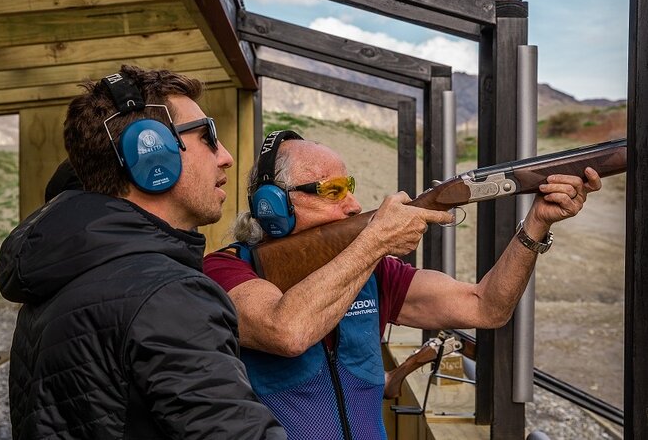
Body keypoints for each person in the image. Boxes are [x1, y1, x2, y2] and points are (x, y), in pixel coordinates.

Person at [203, 129, 603, 439]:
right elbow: (286, 330)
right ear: (273, 206)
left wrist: (536, 225)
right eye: (333, 191)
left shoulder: (373, 272)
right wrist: (374, 241)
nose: (354, 206)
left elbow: (486, 307)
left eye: (350, 188)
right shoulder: (226, 270)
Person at [0, 65, 285, 439]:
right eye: (206, 137)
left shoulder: (59, 273)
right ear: (151, 153)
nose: (225, 156)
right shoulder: (166, 295)